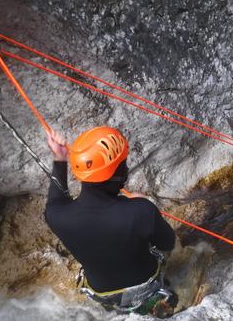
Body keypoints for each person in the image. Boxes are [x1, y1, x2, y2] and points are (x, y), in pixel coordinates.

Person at [44, 126, 177, 316]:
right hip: (148, 287)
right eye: (123, 164)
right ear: (115, 172)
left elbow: (56, 199)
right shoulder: (141, 211)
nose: (126, 167)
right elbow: (168, 243)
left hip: (102, 294)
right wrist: (143, 204)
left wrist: (60, 156)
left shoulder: (57, 216)